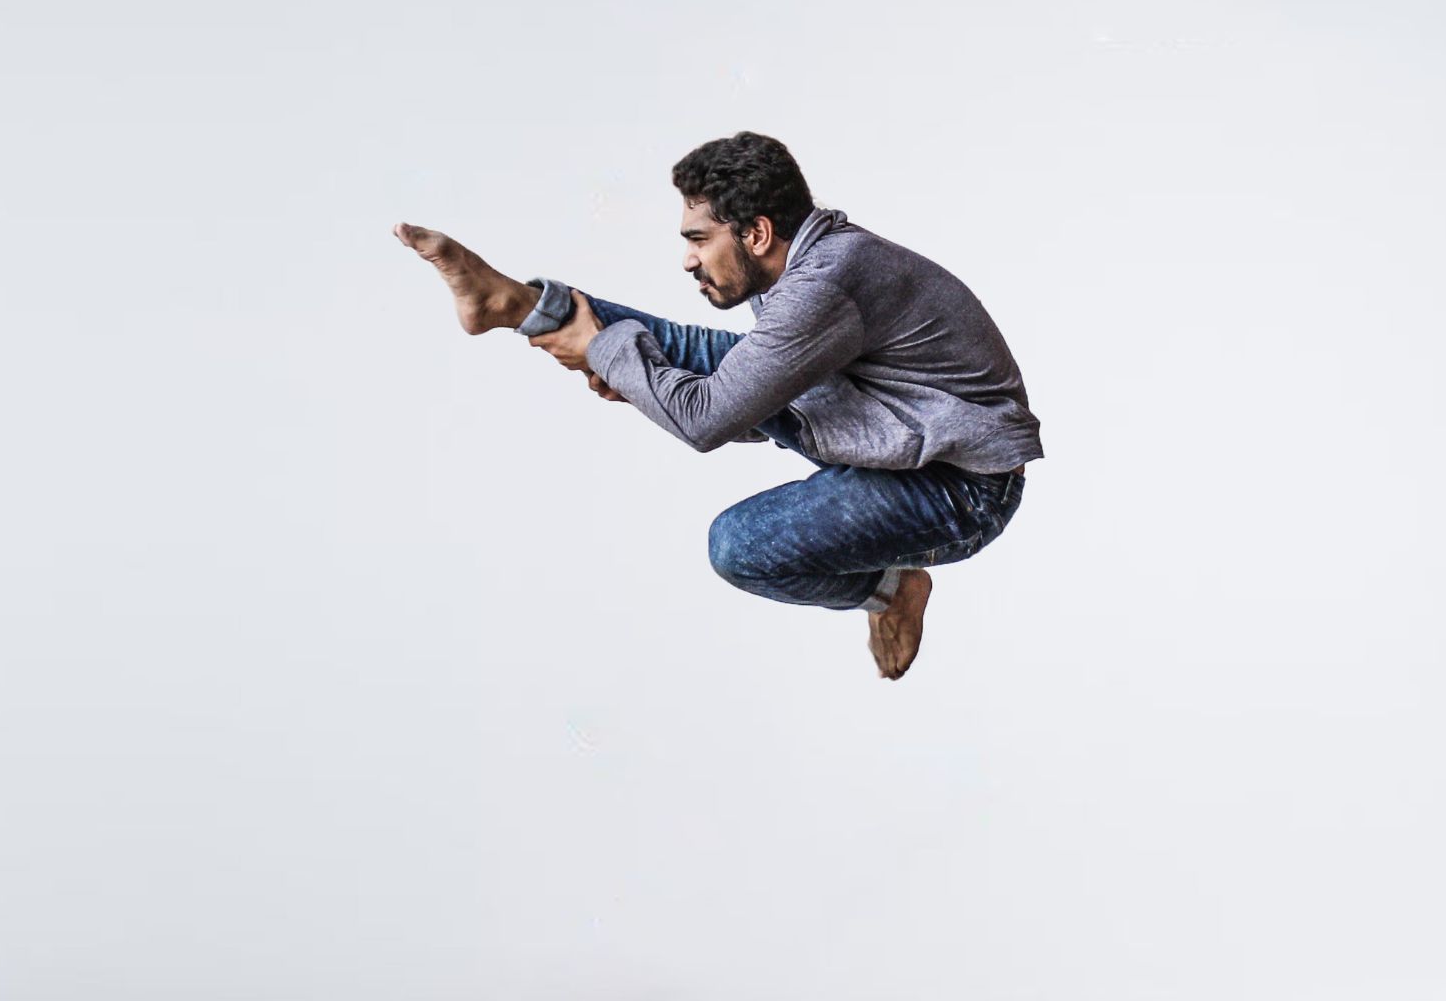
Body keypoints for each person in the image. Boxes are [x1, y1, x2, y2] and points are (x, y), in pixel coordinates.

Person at [392, 131, 1042, 679]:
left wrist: (620, 360)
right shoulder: (803, 262)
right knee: (691, 354)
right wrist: (634, 368)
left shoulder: (826, 283)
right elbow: (732, 393)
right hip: (890, 424)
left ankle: (894, 587)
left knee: (741, 545)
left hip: (959, 489)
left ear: (757, 233)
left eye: (699, 239)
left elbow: (704, 421)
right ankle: (515, 303)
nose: (687, 259)